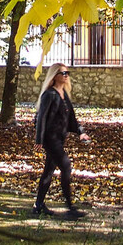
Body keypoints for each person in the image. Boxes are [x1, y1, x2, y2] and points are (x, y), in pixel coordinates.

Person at [33, 63, 90, 219]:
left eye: (67, 73)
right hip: (50, 139)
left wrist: (81, 133)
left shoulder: (64, 95)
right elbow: (41, 118)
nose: (66, 76)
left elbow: (71, 118)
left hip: (59, 138)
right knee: (66, 166)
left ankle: (38, 206)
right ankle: (70, 207)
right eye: (62, 73)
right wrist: (39, 139)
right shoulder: (49, 94)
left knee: (49, 171)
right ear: (54, 75)